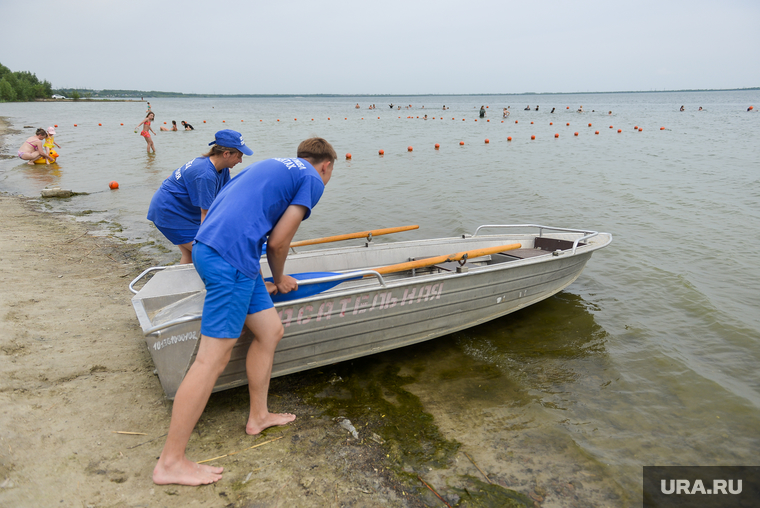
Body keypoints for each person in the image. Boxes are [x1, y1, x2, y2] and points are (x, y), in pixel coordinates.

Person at [152, 137, 336, 486]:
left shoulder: (275, 164)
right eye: (329, 172)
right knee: (212, 359)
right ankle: (170, 462)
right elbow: (279, 242)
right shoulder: (312, 179)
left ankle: (259, 416)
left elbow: (234, 207)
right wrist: (279, 279)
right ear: (326, 166)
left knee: (270, 331)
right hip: (231, 259)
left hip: (216, 248)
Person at [147, 129, 252, 264]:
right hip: (169, 212)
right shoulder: (205, 175)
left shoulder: (222, 167)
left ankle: (186, 283)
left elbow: (226, 199)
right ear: (226, 154)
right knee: (210, 251)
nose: (241, 161)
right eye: (239, 156)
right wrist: (210, 242)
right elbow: (206, 215)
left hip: (184, 208)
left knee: (190, 254)